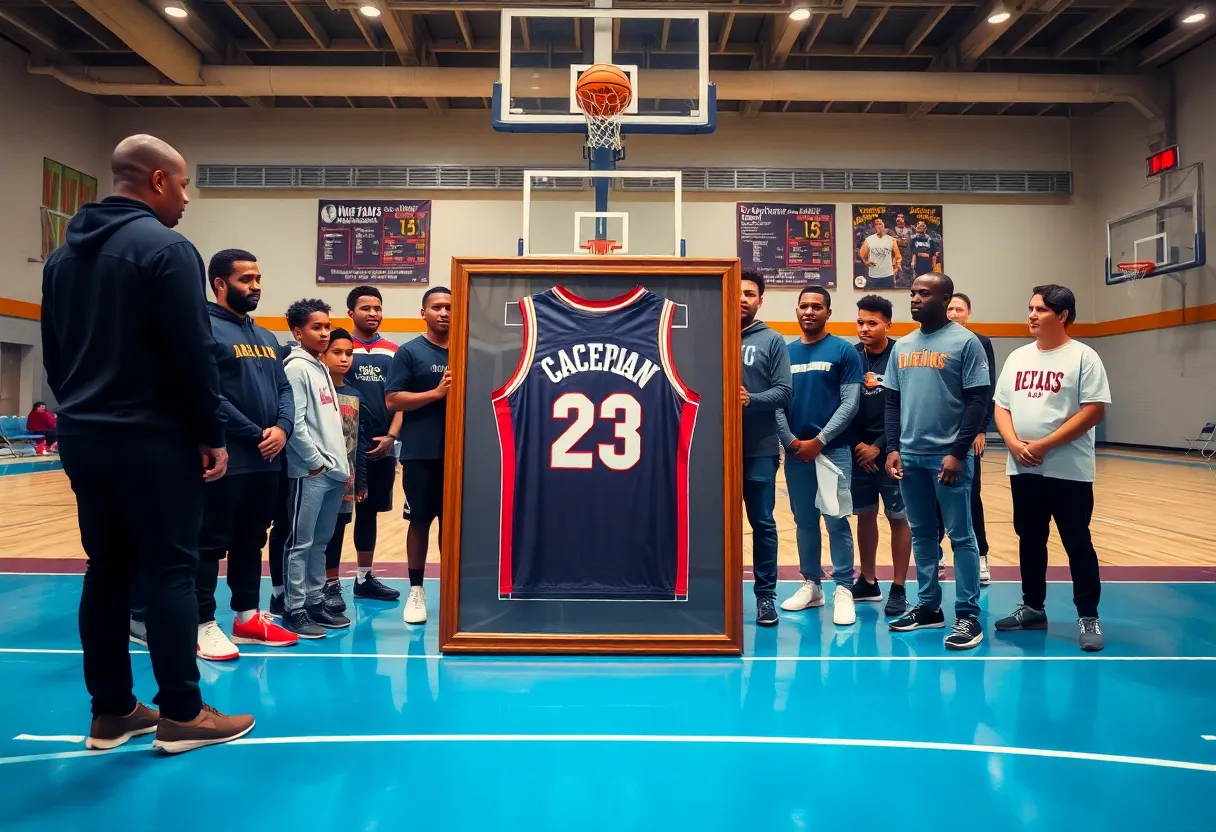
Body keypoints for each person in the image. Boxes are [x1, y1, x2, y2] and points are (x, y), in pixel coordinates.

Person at [41, 133, 253, 753]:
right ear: (157, 180)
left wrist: (83, 410)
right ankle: (182, 713)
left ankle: (111, 711)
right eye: (183, 184)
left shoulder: (60, 259)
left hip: (85, 435)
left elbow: (55, 359)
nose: (186, 198)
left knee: (105, 570)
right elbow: (192, 355)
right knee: (170, 569)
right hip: (154, 439)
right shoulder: (168, 247)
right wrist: (210, 434)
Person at [188, 248, 299, 661]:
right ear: (220, 284)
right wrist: (256, 433)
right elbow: (207, 394)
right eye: (245, 280)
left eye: (257, 279)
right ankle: (202, 624)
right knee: (209, 544)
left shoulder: (266, 336)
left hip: (266, 460)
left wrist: (282, 429)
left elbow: (284, 390)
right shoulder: (204, 330)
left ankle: (248, 616)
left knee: (251, 540)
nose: (255, 286)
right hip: (226, 458)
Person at [992, 285, 1110, 652]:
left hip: (1069, 469)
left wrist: (1044, 444)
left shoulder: (1083, 357)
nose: (1031, 315)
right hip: (1023, 468)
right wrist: (1013, 443)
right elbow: (1002, 406)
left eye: (1040, 309)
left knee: (1077, 541)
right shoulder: (1017, 357)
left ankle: (1088, 615)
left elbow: (1093, 410)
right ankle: (1032, 608)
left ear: (1063, 315)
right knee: (1030, 539)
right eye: (1030, 308)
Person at [883, 273, 989, 650]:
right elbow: (892, 400)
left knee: (962, 537)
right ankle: (929, 606)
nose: (915, 299)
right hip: (910, 458)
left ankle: (967, 615)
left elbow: (978, 401)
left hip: (948, 458)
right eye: (912, 293)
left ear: (945, 299)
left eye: (924, 294)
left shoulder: (966, 342)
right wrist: (892, 447)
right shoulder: (904, 345)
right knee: (924, 534)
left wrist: (958, 453)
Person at [777, 286, 862, 626]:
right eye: (803, 306)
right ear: (796, 311)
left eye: (816, 306)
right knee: (804, 521)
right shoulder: (784, 352)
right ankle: (812, 585)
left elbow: (850, 402)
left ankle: (844, 587)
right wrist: (792, 442)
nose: (809, 311)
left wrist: (821, 440)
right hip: (796, 452)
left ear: (828, 312)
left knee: (836, 519)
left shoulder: (844, 351)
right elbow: (777, 402)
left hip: (833, 451)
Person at [277, 299, 352, 637]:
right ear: (297, 332)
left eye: (326, 326)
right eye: (316, 327)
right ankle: (293, 609)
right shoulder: (296, 367)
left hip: (333, 473)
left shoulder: (320, 366)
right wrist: (315, 463)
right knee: (301, 543)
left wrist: (341, 465)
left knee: (320, 543)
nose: (324, 333)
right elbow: (296, 422)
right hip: (310, 474)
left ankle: (313, 600)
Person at [386, 287, 451, 625]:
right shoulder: (410, 353)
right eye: (437, 307)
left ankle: (453, 590)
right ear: (423, 312)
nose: (444, 312)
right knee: (420, 521)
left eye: (450, 307)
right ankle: (416, 591)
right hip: (421, 453)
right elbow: (393, 400)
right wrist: (436, 393)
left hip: (461, 456)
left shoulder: (469, 349)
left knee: (455, 526)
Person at [851, 295, 912, 617]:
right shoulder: (851, 356)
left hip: (891, 452)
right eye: (860, 322)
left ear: (888, 324)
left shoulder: (900, 355)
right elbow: (844, 405)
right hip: (859, 453)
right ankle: (869, 579)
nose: (864, 328)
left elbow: (905, 408)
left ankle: (899, 587)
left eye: (872, 323)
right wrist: (859, 446)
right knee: (865, 514)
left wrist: (879, 445)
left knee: (898, 517)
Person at [341, 286, 403, 604]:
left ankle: (363, 577)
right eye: (365, 308)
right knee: (335, 517)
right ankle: (326, 584)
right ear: (351, 312)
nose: (373, 313)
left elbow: (400, 401)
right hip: (341, 446)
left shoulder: (394, 352)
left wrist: (391, 438)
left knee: (369, 515)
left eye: (377, 308)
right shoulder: (339, 348)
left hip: (380, 446)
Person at [739, 271, 793, 627]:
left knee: (762, 523)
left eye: (749, 293)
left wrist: (750, 398)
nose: (742, 298)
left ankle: (765, 597)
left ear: (760, 299)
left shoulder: (772, 340)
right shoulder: (707, 334)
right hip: (711, 451)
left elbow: (785, 392)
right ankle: (713, 593)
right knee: (710, 525)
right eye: (737, 292)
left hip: (759, 448)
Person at [937, 291, 996, 585]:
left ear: (968, 314)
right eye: (949, 309)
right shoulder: (933, 341)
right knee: (933, 494)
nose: (953, 314)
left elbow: (985, 392)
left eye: (959, 309)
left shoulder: (980, 343)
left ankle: (981, 554)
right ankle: (935, 552)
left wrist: (981, 429)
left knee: (971, 496)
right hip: (935, 434)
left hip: (968, 435)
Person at [321, 328, 371, 613]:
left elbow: (359, 440)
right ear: (323, 354)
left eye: (348, 353)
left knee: (337, 528)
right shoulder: (319, 390)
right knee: (314, 533)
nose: (344, 359)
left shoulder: (354, 394)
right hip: (316, 475)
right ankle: (308, 586)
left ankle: (331, 583)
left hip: (346, 478)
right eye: (337, 353)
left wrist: (360, 479)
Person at [860, 218, 901, 290]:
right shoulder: (869, 239)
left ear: (884, 225)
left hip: (888, 275)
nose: (878, 226)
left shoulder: (891, 239)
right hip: (873, 276)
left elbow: (898, 255)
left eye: (880, 224)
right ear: (874, 227)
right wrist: (866, 262)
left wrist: (897, 267)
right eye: (876, 224)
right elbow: (862, 253)